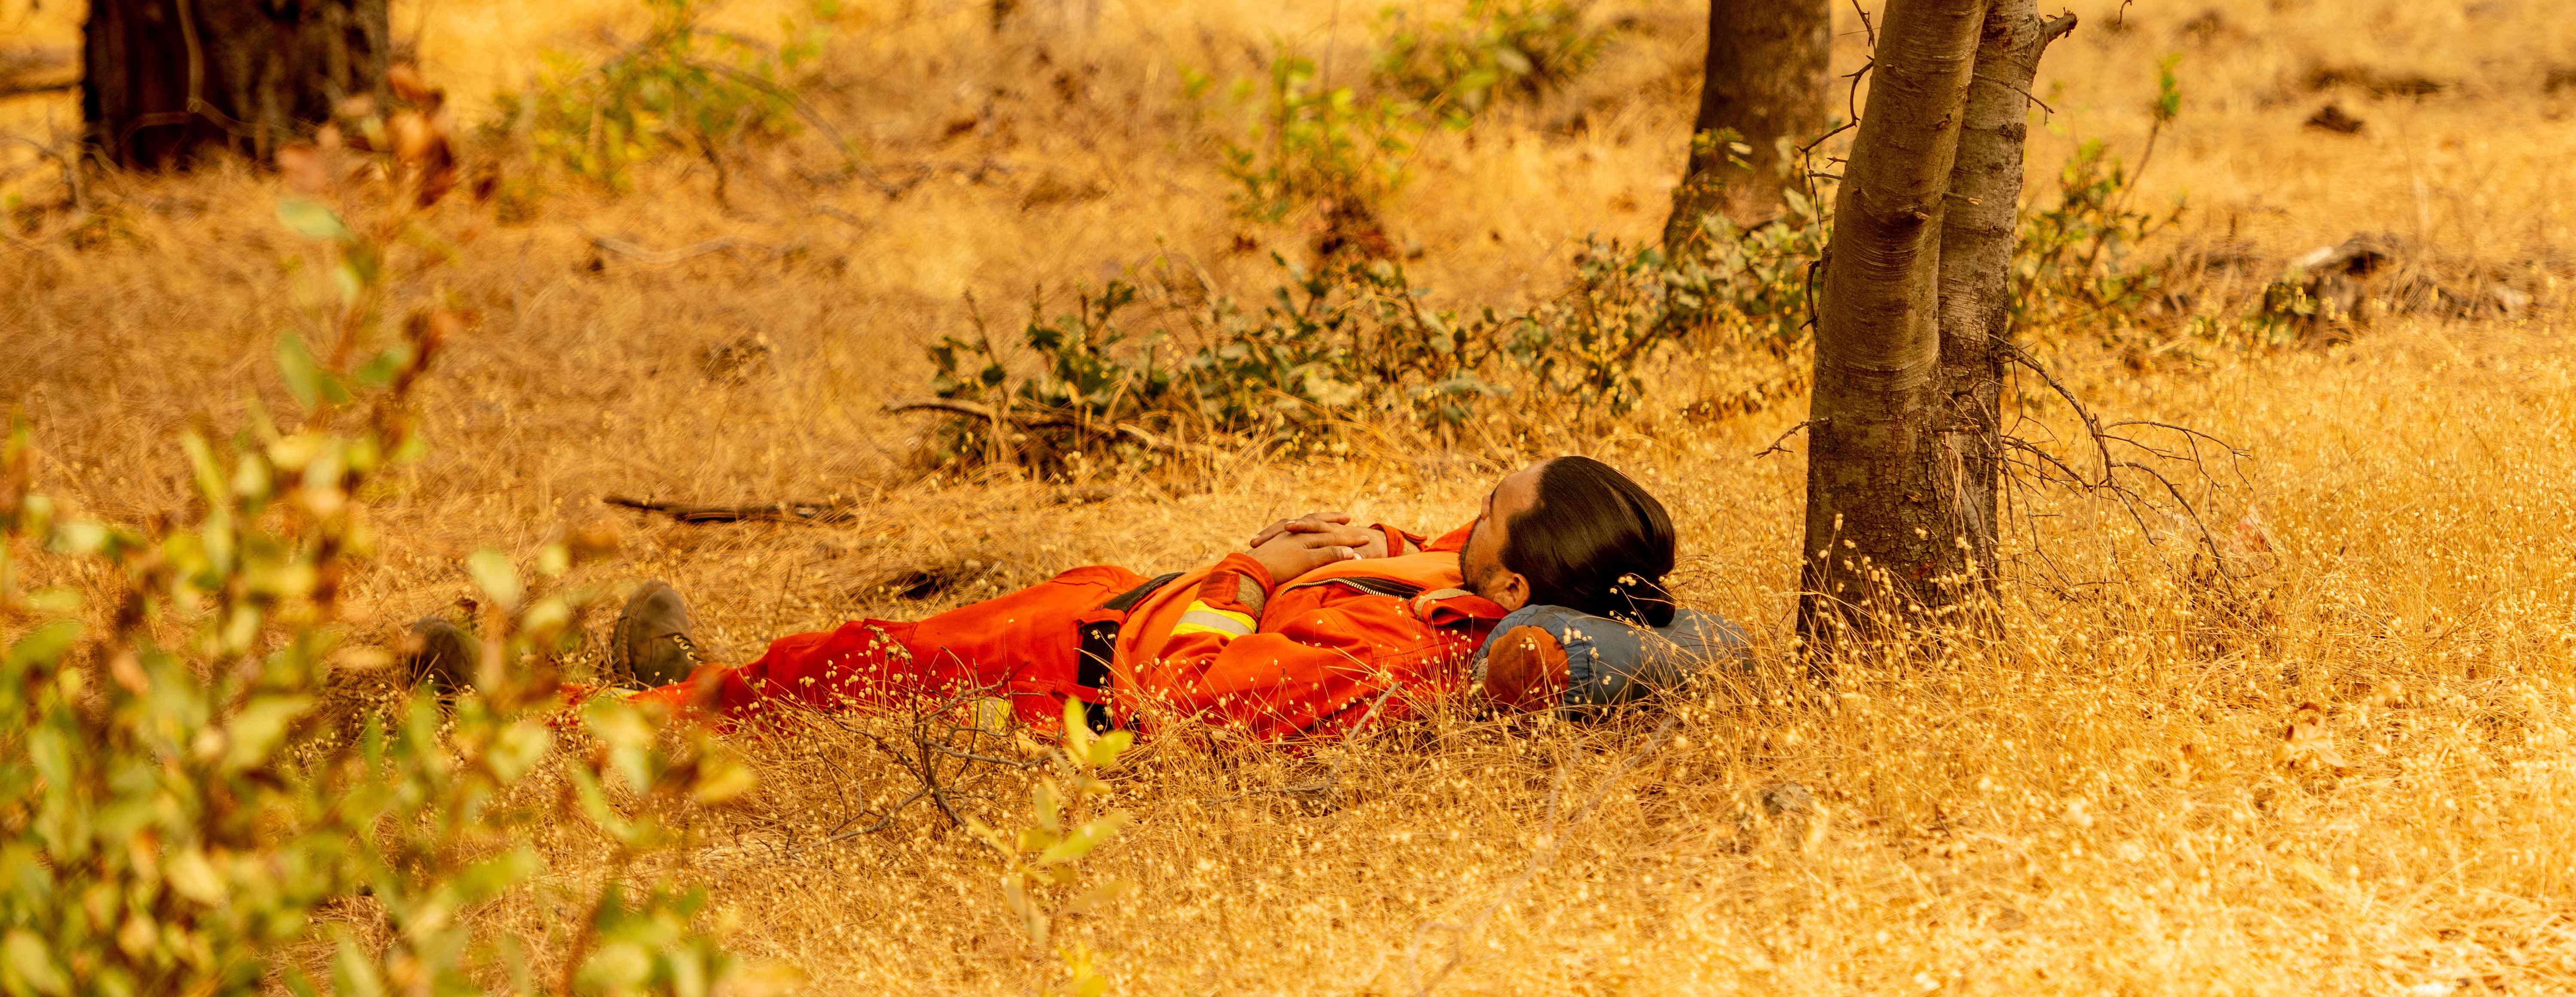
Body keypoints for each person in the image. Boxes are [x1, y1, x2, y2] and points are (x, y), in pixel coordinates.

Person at [410, 455, 1684, 743]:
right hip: (1114, 603)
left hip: (1071, 673)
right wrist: (1331, 539)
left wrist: (1252, 569)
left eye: (1484, 514)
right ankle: (674, 688)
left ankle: (538, 722)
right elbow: (1408, 559)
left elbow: (1178, 696)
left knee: (850, 664)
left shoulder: (1384, 661)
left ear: (1509, 584)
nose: (1453, 518)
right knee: (836, 658)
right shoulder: (1458, 582)